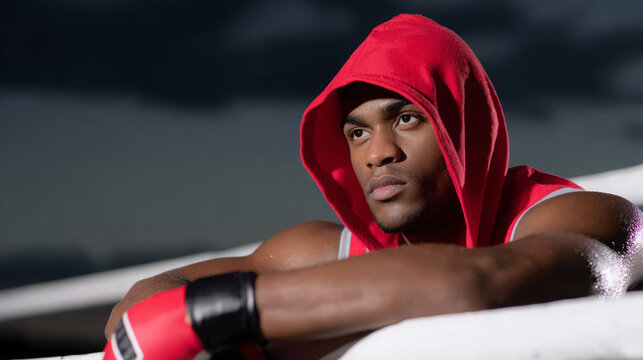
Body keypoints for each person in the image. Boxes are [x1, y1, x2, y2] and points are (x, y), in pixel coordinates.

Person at [103, 14, 642, 359]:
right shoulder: (322, 252)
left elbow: (478, 287)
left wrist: (225, 319)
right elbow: (144, 304)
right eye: (357, 132)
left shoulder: (585, 217)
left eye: (406, 118)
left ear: (463, 126)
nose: (377, 152)